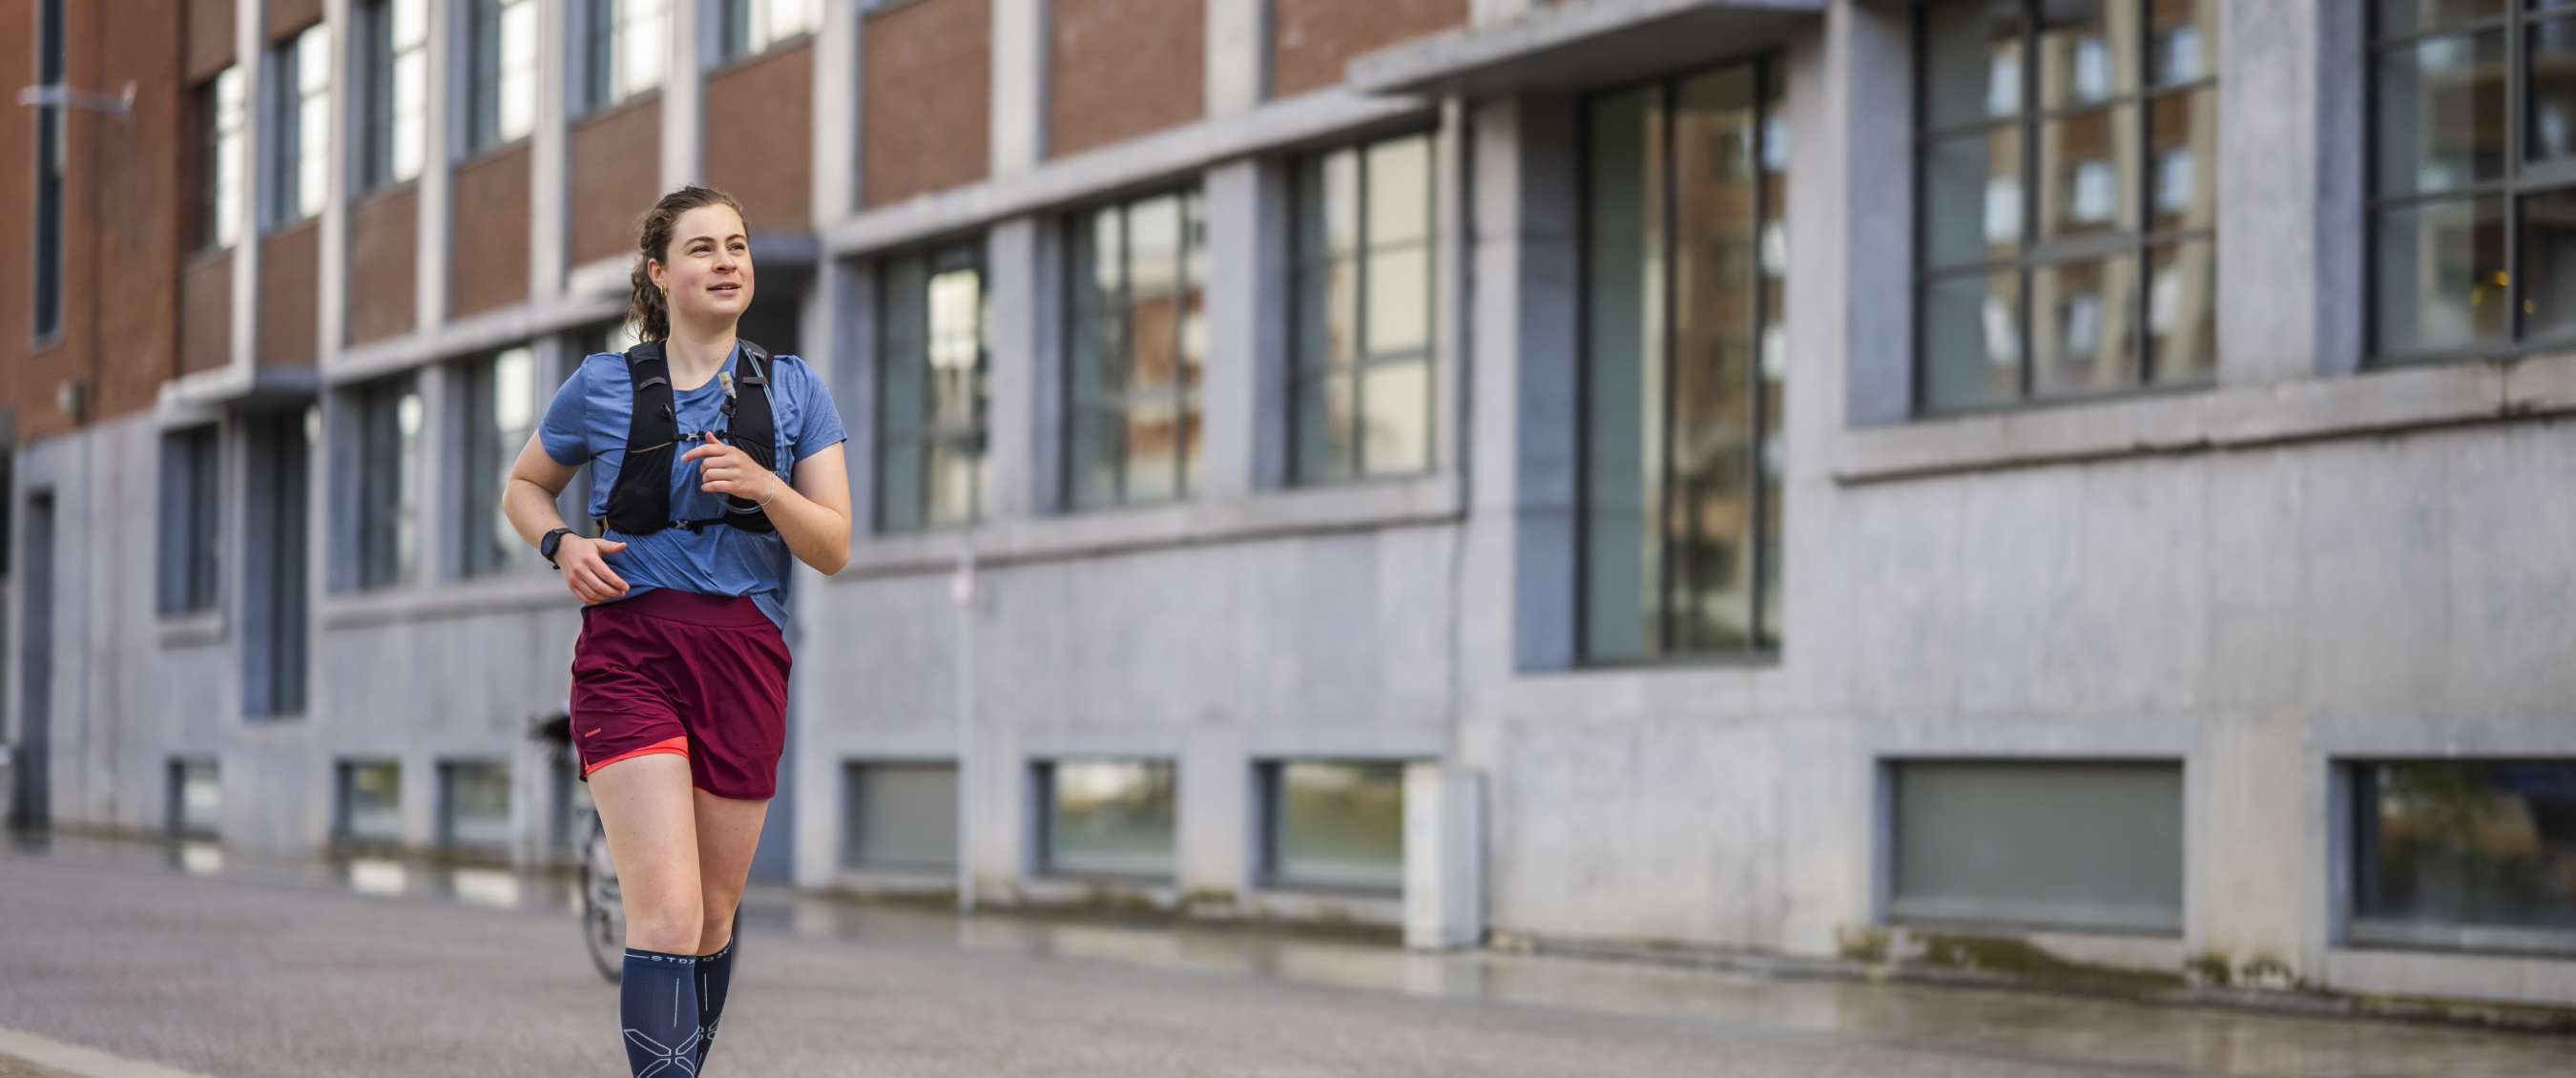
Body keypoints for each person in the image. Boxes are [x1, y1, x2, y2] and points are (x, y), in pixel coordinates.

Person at [501, 184, 850, 1076]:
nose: (727, 261)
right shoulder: (602, 385)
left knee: (714, 916)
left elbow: (835, 545)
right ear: (660, 273)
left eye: (737, 245)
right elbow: (523, 485)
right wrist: (561, 543)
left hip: (743, 653)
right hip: (630, 651)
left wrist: (768, 487)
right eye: (702, 248)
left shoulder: (798, 390)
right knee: (663, 911)